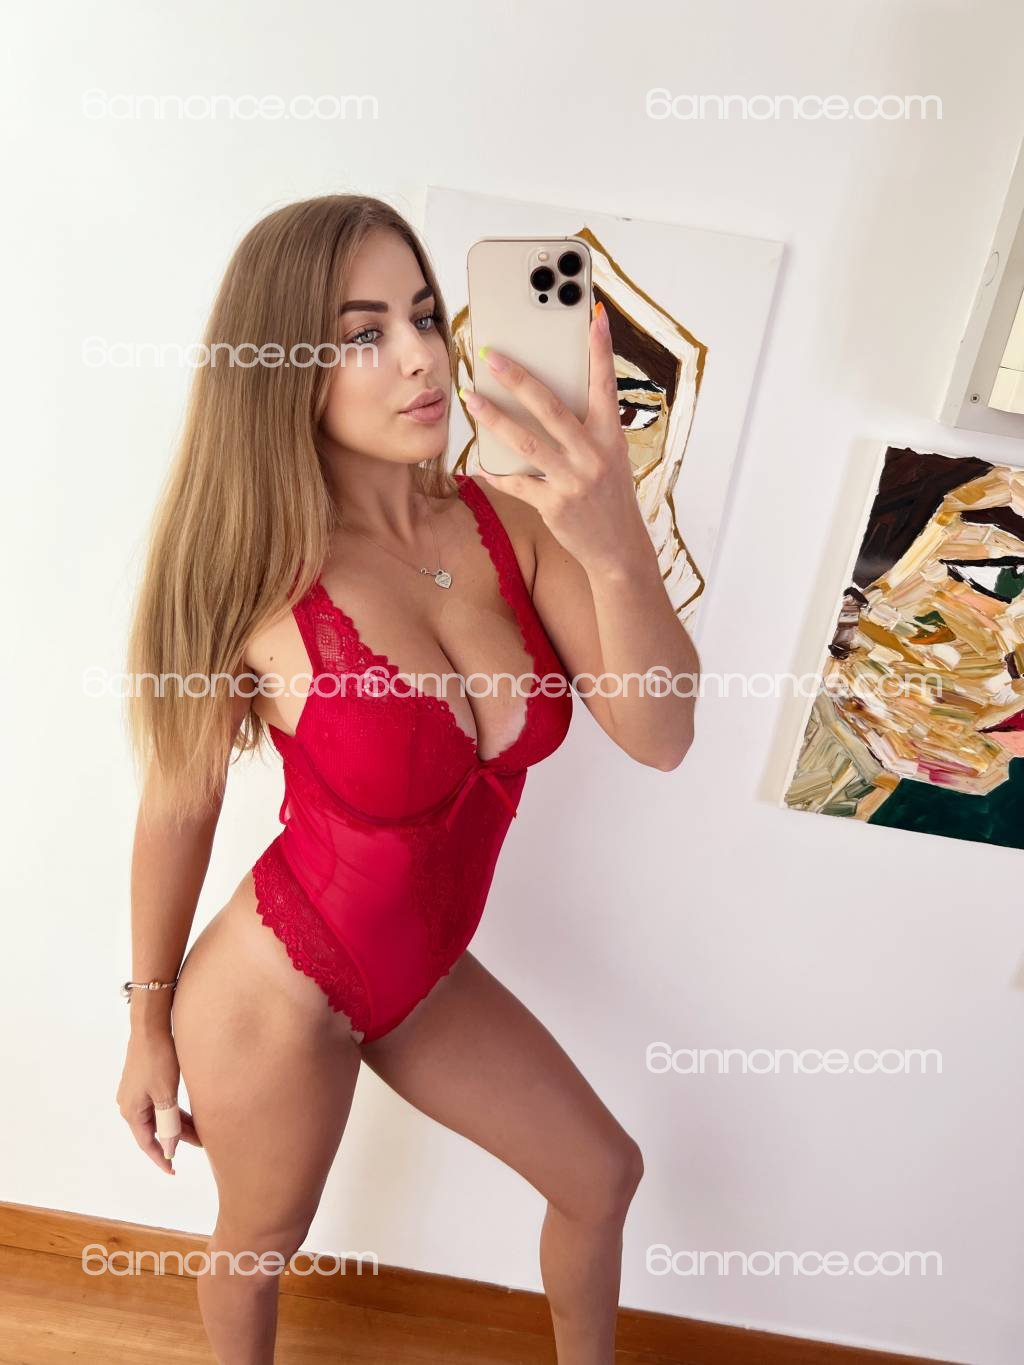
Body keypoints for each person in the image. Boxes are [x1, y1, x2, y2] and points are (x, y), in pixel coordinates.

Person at [116, 193, 699, 1364]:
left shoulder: (514, 524)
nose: (424, 358)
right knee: (260, 1244)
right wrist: (147, 1023)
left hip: (424, 972)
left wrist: (614, 538)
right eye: (363, 334)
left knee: (600, 1176)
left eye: (426, 316)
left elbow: (661, 733)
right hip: (276, 991)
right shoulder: (256, 578)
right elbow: (180, 803)